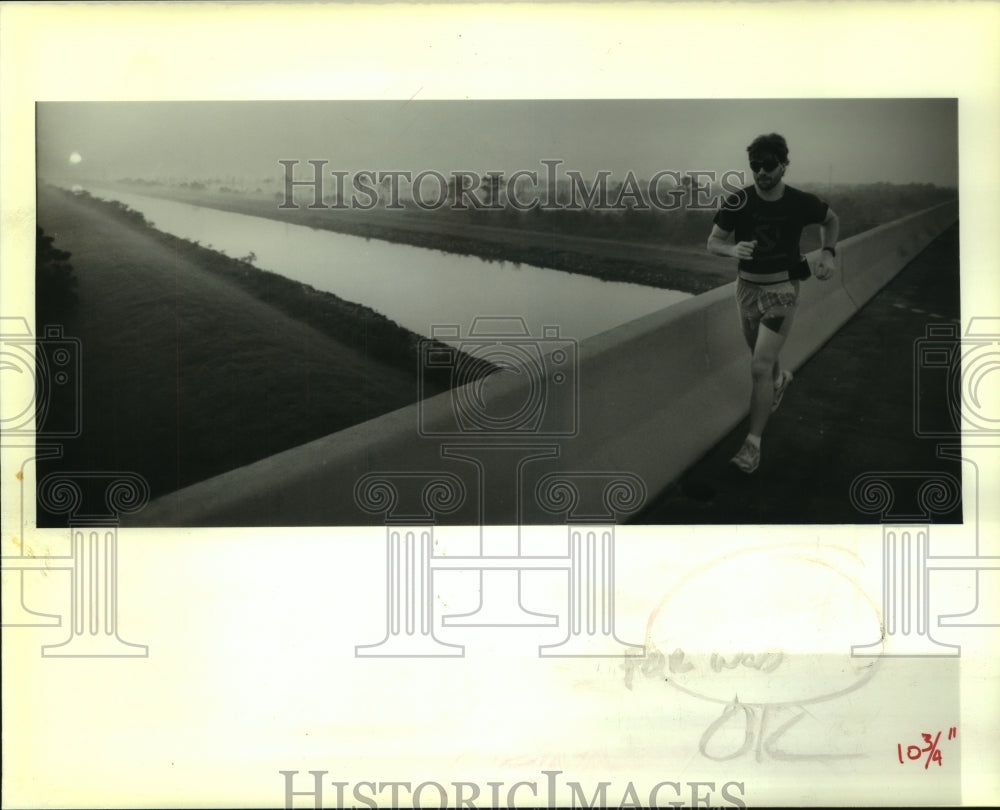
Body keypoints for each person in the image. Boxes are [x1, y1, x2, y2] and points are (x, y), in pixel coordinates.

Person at [707, 133, 839, 473]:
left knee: (758, 367)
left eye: (768, 165)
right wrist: (732, 250)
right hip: (746, 291)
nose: (761, 172)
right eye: (755, 166)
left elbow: (831, 219)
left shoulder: (799, 202)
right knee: (760, 358)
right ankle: (779, 382)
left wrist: (828, 252)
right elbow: (713, 242)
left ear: (784, 165)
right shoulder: (739, 201)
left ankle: (752, 444)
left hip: (782, 292)